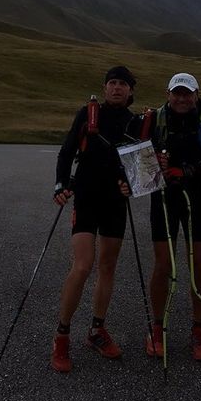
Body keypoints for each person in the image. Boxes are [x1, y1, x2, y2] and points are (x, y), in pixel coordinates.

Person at [127, 72, 201, 361]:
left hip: (199, 201)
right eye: (177, 93)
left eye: (187, 93)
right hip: (164, 200)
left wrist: (186, 170)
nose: (182, 98)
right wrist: (155, 160)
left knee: (199, 265)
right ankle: (156, 326)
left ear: (195, 94)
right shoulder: (153, 120)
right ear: (168, 93)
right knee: (163, 264)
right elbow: (137, 159)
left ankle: (198, 328)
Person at [50, 65, 136, 372]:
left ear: (130, 91)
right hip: (86, 196)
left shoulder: (135, 122)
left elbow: (139, 167)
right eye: (112, 83)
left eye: (122, 84)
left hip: (115, 202)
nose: (116, 88)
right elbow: (66, 151)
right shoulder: (87, 114)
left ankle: (97, 331)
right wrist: (61, 183)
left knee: (108, 266)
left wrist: (131, 185)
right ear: (104, 87)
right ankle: (62, 335)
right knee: (83, 265)